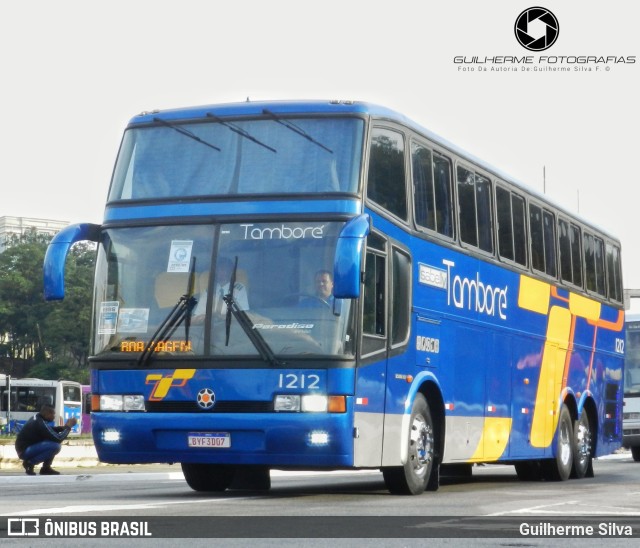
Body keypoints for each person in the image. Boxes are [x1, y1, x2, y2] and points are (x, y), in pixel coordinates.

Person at [15, 404, 78, 476]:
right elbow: (58, 438)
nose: (54, 417)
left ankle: (46, 468)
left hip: (24, 449)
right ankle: (30, 463)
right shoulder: (40, 423)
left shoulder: (37, 418)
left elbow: (49, 430)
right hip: (25, 451)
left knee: (51, 442)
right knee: (55, 446)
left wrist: (64, 427)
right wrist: (68, 427)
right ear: (47, 414)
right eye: (53, 414)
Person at [192, 257, 249, 322]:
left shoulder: (239, 289)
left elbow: (242, 315)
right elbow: (198, 314)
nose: (223, 272)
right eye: (220, 269)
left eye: (226, 269)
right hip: (208, 326)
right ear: (216, 272)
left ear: (231, 272)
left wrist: (222, 317)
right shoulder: (209, 291)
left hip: (230, 325)